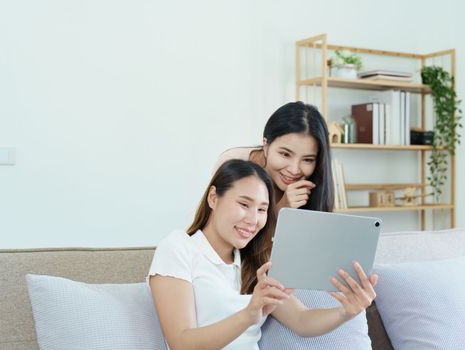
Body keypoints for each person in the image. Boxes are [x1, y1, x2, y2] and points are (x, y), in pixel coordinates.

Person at [149, 159, 377, 350]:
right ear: (213, 198)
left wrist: (345, 312)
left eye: (261, 209)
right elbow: (181, 342)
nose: (252, 219)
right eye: (244, 204)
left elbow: (302, 320)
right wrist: (249, 314)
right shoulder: (179, 247)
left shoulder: (254, 261)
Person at [215, 101, 334, 214]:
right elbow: (226, 230)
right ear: (266, 146)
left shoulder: (314, 181)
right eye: (285, 154)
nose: (294, 170)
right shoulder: (233, 162)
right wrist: (282, 208)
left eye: (308, 160)